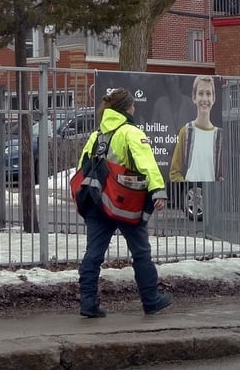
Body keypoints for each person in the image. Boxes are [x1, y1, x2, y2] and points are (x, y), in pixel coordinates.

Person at [76, 88, 173, 318]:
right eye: (132, 105)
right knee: (141, 252)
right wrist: (158, 190)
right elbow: (146, 163)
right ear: (128, 108)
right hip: (125, 203)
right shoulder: (130, 132)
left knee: (93, 253)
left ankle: (88, 303)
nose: (134, 108)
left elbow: (82, 167)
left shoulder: (96, 135)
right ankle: (151, 300)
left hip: (97, 202)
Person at [169, 75, 223, 182]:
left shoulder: (220, 136)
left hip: (212, 197)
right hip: (190, 197)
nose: (204, 99)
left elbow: (223, 175)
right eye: (200, 93)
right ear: (194, 97)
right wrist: (188, 186)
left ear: (214, 98)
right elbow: (174, 173)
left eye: (208, 94)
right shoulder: (186, 132)